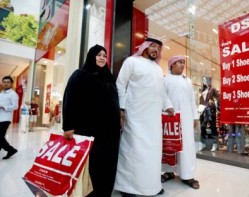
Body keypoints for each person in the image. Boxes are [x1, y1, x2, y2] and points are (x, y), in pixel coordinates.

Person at [114, 38, 174, 197]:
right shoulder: (131, 62)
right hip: (135, 115)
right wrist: (121, 108)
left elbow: (162, 92)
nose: (156, 50)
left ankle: (151, 185)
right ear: (144, 47)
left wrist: (168, 105)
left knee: (152, 153)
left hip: (153, 118)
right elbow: (120, 84)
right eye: (153, 46)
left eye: (159, 48)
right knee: (133, 150)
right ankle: (127, 187)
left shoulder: (157, 68)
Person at [62, 45, 121, 197]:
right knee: (91, 164)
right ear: (91, 56)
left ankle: (104, 192)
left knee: (107, 164)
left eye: (104, 55)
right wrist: (68, 126)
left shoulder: (108, 77)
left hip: (109, 133)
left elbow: (115, 101)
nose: (102, 58)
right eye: (98, 55)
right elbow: (69, 100)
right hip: (88, 130)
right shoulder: (80, 75)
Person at [161, 55, 200, 189]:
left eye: (184, 63)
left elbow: (192, 100)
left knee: (187, 146)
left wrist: (195, 117)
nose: (183, 65)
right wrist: (167, 107)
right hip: (170, 118)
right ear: (172, 64)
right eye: (180, 62)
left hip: (186, 119)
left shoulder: (187, 81)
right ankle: (169, 171)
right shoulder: (165, 80)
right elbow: (162, 96)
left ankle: (187, 175)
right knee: (170, 145)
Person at [198, 76, 219, 151]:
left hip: (210, 110)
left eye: (205, 80)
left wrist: (214, 102)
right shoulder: (203, 90)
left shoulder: (212, 89)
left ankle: (214, 144)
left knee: (213, 127)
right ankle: (202, 143)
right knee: (202, 127)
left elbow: (218, 97)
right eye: (203, 80)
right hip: (203, 110)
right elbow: (201, 101)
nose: (204, 81)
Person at [0, 76, 18, 159]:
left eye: (8, 82)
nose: (6, 83)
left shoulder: (13, 94)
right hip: (0, 117)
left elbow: (15, 106)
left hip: (5, 118)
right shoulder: (1, 93)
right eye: (4, 82)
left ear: (11, 84)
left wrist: (3, 107)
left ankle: (10, 149)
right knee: (1, 136)